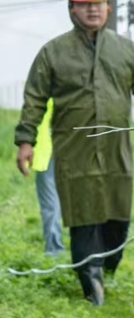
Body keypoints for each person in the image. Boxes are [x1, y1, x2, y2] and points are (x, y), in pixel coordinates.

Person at [15, 0, 134, 306]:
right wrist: (25, 141)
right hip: (74, 148)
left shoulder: (126, 50)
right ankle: (91, 282)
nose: (93, 9)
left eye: (99, 2)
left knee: (118, 215)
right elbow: (34, 99)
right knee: (83, 214)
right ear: (72, 8)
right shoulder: (53, 53)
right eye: (85, 3)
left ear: (108, 5)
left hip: (117, 148)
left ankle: (107, 265)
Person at [32, 99, 64, 257]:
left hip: (48, 154)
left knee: (50, 204)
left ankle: (54, 250)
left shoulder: (46, 96)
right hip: (58, 152)